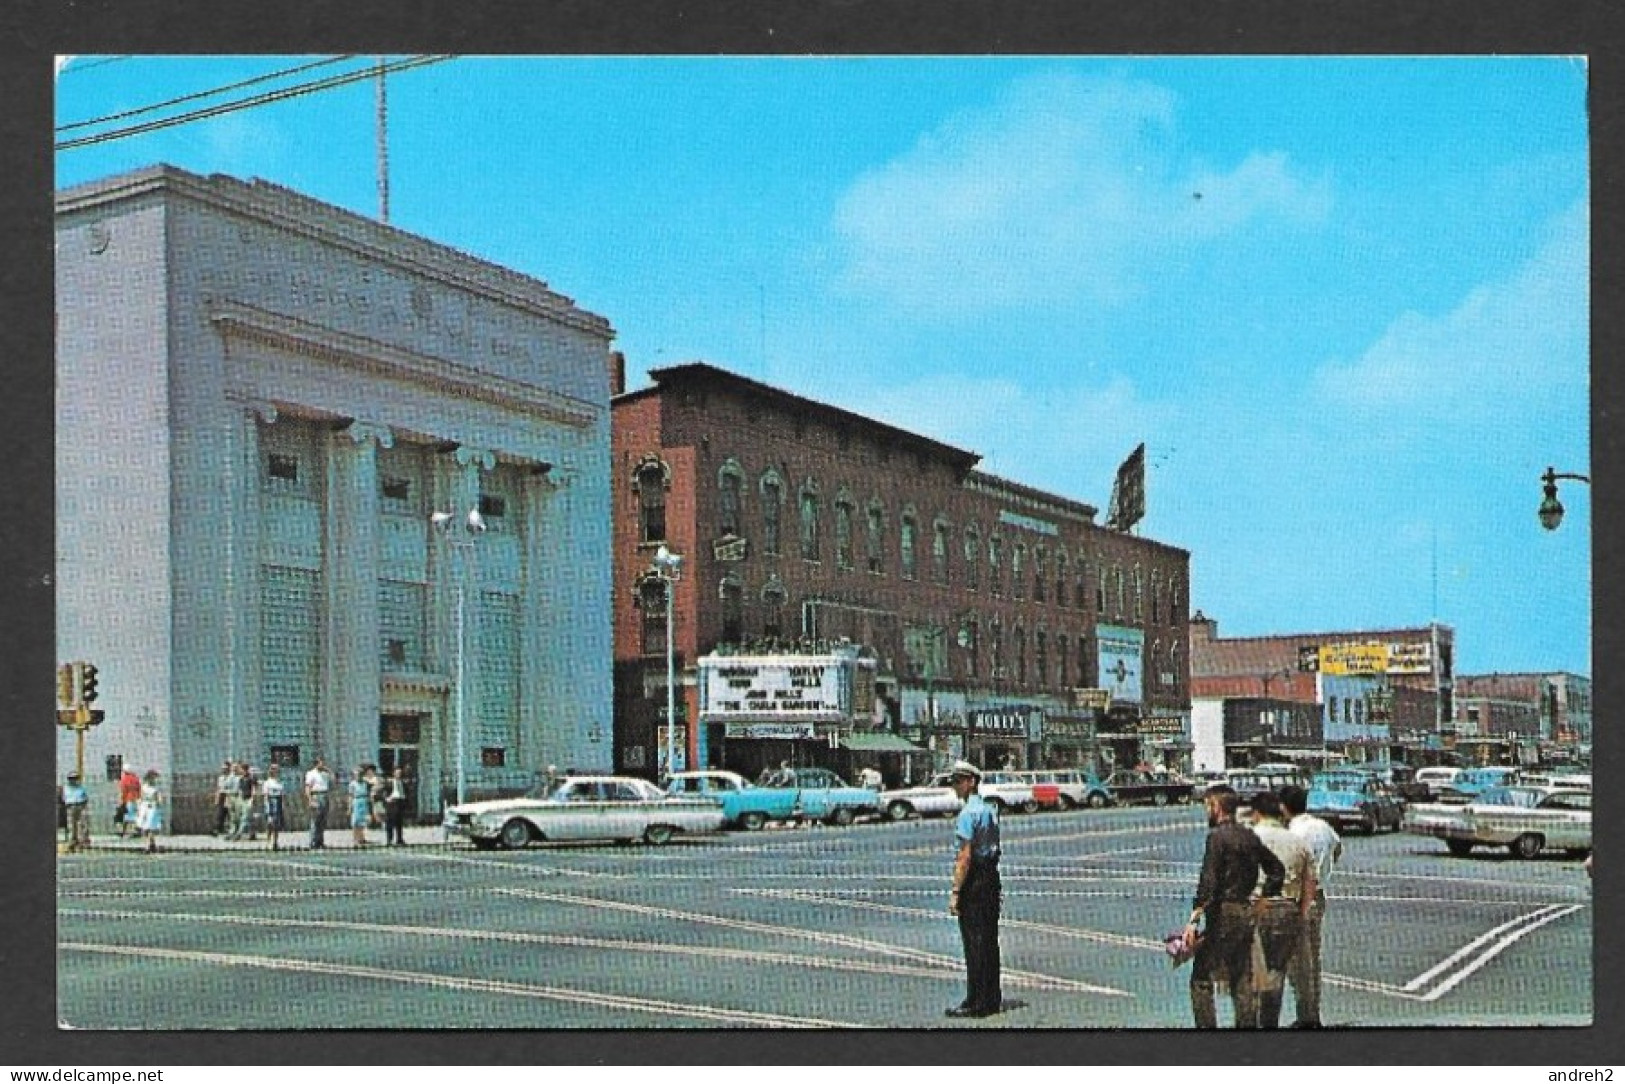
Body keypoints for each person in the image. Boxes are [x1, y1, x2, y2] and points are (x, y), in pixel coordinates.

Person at [1185, 784, 1286, 1029]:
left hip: (1223, 913)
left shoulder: (1217, 838)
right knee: (1241, 975)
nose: (1206, 811)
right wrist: (1263, 897)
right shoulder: (1249, 835)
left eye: (1208, 806)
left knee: (1201, 977)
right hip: (1245, 910)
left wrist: (1194, 918)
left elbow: (1209, 880)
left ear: (1216, 807)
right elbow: (1277, 870)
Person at [1246, 790, 1317, 1029]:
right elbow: (1310, 884)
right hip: (1288, 908)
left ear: (1256, 813)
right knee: (1277, 969)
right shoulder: (1298, 841)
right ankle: (1270, 1023)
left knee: (1253, 970)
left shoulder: (1249, 838)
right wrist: (1302, 913)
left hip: (1256, 906)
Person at [1280, 783, 1341, 1029]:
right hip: (1319, 895)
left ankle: (1307, 1017)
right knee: (1313, 958)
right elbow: (1338, 848)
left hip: (1298, 898)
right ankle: (1312, 1013)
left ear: (1283, 807)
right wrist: (1325, 870)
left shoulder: (1293, 833)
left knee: (1297, 962)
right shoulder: (1322, 826)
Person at [945, 760, 1003, 1018]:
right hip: (991, 875)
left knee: (975, 942)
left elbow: (964, 856)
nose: (955, 786)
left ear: (972, 782)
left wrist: (956, 892)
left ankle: (977, 1001)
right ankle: (990, 997)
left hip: (976, 879)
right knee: (989, 940)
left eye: (959, 781)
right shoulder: (989, 810)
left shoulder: (968, 813)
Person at [304, 757, 332, 850]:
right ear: (316, 763)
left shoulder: (325, 774)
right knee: (315, 820)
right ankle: (313, 841)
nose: (323, 764)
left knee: (323, 821)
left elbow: (334, 780)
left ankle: (320, 841)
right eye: (321, 763)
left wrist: (329, 771)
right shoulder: (311, 773)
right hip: (316, 795)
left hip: (324, 795)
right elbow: (307, 787)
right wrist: (310, 800)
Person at [135, 770, 164, 854]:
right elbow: (159, 800)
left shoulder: (145, 788)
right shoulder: (152, 789)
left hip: (146, 808)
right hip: (150, 808)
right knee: (148, 827)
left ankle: (151, 844)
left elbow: (140, 798)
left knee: (148, 827)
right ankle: (149, 845)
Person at [62, 771, 90, 851]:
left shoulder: (80, 787)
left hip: (81, 805)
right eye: (71, 778)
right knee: (72, 825)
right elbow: (64, 798)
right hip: (70, 806)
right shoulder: (66, 788)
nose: (73, 780)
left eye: (75, 778)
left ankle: (83, 841)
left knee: (83, 824)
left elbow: (85, 797)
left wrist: (84, 804)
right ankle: (72, 841)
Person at [262, 763, 286, 851]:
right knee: (270, 823)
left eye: (277, 769)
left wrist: (283, 805)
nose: (276, 771)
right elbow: (265, 795)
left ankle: (275, 842)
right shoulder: (267, 782)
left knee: (276, 824)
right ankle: (268, 841)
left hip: (278, 802)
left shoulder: (280, 782)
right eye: (274, 769)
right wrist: (267, 805)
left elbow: (282, 795)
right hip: (271, 802)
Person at [348, 765, 374, 847]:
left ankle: (361, 838)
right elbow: (350, 796)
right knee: (355, 822)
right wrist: (349, 807)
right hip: (356, 802)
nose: (358, 776)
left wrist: (370, 803)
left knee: (362, 822)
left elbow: (370, 793)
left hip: (364, 801)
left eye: (359, 774)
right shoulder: (352, 784)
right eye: (356, 775)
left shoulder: (365, 783)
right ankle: (355, 840)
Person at [383, 766, 409, 846]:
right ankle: (389, 839)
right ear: (393, 773)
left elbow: (406, 792)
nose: (399, 774)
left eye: (400, 773)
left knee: (399, 822)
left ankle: (399, 839)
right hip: (392, 802)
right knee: (390, 822)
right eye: (397, 773)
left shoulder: (403, 782)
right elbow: (383, 791)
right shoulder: (389, 782)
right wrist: (386, 798)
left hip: (400, 802)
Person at [117, 765, 141, 839]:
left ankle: (125, 832)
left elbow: (123, 791)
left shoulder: (124, 779)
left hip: (128, 799)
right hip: (136, 799)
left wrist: (121, 801)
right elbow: (139, 789)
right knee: (134, 816)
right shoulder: (136, 778)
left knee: (127, 816)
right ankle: (133, 831)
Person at [213, 760, 235, 835]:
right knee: (220, 813)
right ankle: (219, 829)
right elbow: (219, 788)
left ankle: (231, 829)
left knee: (230, 814)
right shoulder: (221, 778)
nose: (224, 770)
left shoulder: (232, 777)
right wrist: (217, 798)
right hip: (221, 797)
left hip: (229, 796)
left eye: (225, 768)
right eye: (223, 768)